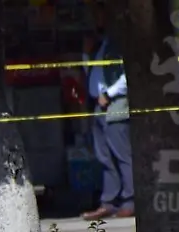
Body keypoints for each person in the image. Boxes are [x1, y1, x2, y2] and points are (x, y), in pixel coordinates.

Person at [80, 1, 134, 220]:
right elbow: (92, 74)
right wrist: (86, 54)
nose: (96, 20)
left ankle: (130, 200)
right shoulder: (101, 45)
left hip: (116, 104)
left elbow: (127, 75)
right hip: (99, 106)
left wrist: (110, 94)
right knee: (104, 156)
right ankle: (109, 202)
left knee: (122, 154)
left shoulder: (119, 43)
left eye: (99, 15)